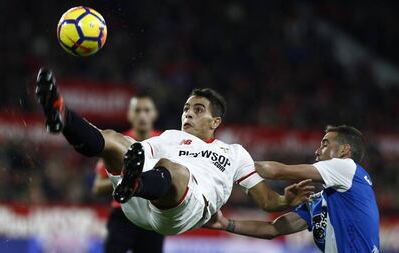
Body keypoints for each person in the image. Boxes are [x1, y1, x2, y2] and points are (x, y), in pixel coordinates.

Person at [35, 67, 313, 235]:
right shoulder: (170, 137)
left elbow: (267, 202)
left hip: (185, 210)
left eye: (198, 110)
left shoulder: (234, 153)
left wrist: (285, 200)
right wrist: (122, 158)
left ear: (215, 121)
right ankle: (62, 116)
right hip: (140, 204)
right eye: (186, 109)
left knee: (174, 169)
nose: (188, 114)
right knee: (114, 140)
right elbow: (133, 153)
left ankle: (136, 182)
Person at [205, 125, 380, 253]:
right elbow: (274, 229)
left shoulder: (348, 168)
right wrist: (225, 224)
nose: (317, 151)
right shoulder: (319, 201)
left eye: (325, 144)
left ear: (344, 150)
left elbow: (277, 171)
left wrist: (230, 163)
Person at [92, 95, 164, 253]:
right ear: (130, 115)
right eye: (137, 110)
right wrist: (124, 180)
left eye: (146, 110)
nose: (142, 115)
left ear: (154, 114)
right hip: (122, 214)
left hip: (151, 216)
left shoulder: (166, 143)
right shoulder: (115, 142)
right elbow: (97, 188)